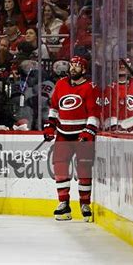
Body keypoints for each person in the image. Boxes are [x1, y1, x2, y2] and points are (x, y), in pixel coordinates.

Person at [43, 56, 101, 222]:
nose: (73, 68)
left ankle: (84, 203)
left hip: (82, 134)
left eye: (77, 65)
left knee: (84, 169)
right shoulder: (61, 83)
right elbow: (54, 107)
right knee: (60, 169)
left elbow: (94, 113)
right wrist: (50, 126)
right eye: (72, 65)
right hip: (63, 133)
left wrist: (89, 131)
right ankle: (63, 203)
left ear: (84, 69)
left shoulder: (90, 87)